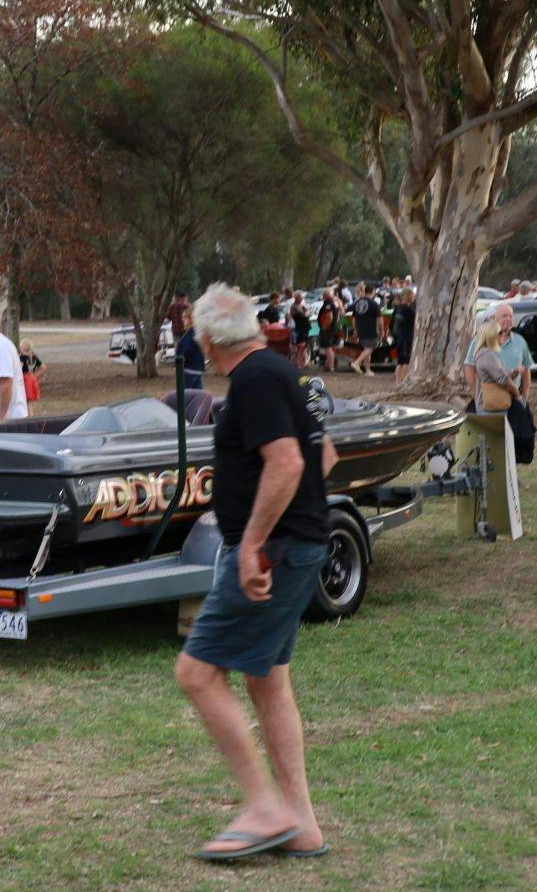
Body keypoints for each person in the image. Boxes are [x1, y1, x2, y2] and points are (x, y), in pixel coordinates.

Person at [177, 283, 333, 862]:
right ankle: (302, 826)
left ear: (208, 340)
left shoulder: (253, 380)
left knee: (196, 672)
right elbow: (324, 454)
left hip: (273, 553)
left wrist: (253, 546)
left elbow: (289, 462)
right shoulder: (279, 372)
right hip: (296, 546)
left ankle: (264, 807)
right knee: (266, 680)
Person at [461, 302, 533, 401]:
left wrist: (524, 397)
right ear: (494, 318)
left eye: (510, 316)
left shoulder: (520, 341)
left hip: (513, 398)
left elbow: (526, 370)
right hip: (489, 399)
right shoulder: (481, 340)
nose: (508, 319)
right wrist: (476, 394)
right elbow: (469, 367)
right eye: (504, 316)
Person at [469, 320, 524, 413]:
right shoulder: (487, 355)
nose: (503, 334)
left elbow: (500, 377)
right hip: (491, 410)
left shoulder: (487, 354)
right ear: (491, 336)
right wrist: (518, 396)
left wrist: (515, 372)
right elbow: (504, 380)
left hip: (491, 409)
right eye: (499, 333)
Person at [348, 283, 380, 375]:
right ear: (373, 292)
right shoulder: (374, 304)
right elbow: (379, 319)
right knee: (370, 348)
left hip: (360, 328)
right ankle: (357, 362)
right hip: (371, 328)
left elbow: (353, 318)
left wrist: (355, 329)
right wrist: (381, 330)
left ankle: (367, 370)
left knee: (366, 349)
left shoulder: (357, 303)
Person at [390, 289, 416, 383]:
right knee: (406, 361)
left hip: (398, 337)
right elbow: (415, 323)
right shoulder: (409, 310)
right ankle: (404, 381)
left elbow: (391, 324)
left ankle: (397, 382)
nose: (413, 297)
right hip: (407, 337)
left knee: (400, 361)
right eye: (412, 295)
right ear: (408, 296)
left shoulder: (397, 309)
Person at [175, 318, 205, 389]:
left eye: (184, 318)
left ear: (190, 320)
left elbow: (187, 349)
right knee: (197, 395)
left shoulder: (191, 333)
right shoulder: (197, 332)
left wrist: (180, 358)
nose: (182, 320)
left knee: (185, 396)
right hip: (197, 368)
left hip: (189, 369)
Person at [315, 292, 341, 372]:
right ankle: (329, 365)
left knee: (328, 348)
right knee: (331, 348)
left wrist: (324, 327)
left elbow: (329, 317)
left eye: (323, 296)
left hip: (328, 329)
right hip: (333, 328)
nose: (322, 297)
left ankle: (331, 367)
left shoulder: (328, 304)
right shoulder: (333, 303)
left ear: (326, 296)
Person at [288, 296, 311, 369]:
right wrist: (303, 310)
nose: (302, 299)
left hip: (305, 329)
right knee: (300, 346)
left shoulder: (302, 306)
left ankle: (303, 362)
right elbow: (304, 315)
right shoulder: (294, 307)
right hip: (300, 329)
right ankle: (298, 363)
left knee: (303, 347)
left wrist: (305, 310)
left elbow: (308, 314)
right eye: (300, 298)